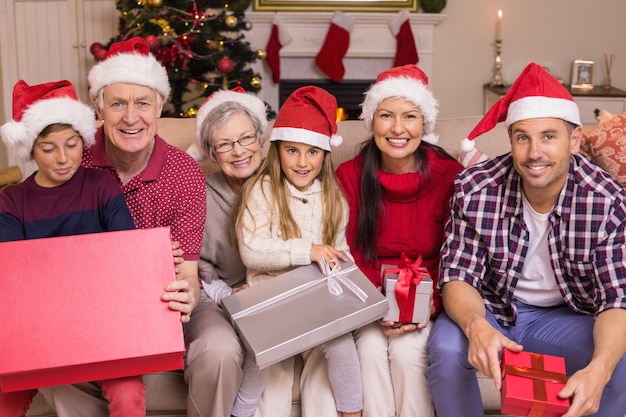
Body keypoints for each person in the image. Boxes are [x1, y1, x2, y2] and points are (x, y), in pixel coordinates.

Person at [427, 62, 626, 417]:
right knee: (446, 349)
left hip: (564, 319)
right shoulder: (475, 188)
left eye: (549, 136)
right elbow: (458, 275)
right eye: (523, 137)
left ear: (574, 140)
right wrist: (475, 325)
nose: (535, 153)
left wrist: (600, 369)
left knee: (618, 364)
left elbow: (617, 299)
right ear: (511, 140)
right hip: (489, 310)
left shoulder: (607, 200)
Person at [38, 37, 210, 416]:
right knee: (50, 358)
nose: (131, 117)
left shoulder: (185, 173)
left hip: (148, 311)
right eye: (117, 104)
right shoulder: (72, 161)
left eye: (143, 103)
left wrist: (188, 295)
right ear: (98, 106)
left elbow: (188, 272)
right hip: (77, 307)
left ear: (161, 106)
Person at [0, 80, 138, 416]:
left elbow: (128, 254)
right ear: (30, 149)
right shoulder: (11, 201)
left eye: (72, 145)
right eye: (48, 149)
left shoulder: (102, 185)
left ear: (83, 140)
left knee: (127, 394)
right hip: (38, 325)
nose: (63, 159)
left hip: (105, 320)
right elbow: (13, 276)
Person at [335, 64, 463, 417]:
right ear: (371, 121)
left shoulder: (450, 176)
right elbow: (351, 253)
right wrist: (378, 306)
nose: (397, 129)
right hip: (371, 300)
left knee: (409, 355)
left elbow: (456, 254)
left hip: (427, 299)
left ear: (424, 124)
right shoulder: (350, 175)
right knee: (371, 352)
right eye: (386, 116)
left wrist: (427, 304)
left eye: (409, 116)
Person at [233, 86, 362, 417]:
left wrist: (344, 277)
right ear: (277, 151)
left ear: (324, 155)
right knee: (259, 353)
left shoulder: (333, 199)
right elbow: (251, 251)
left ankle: (353, 412)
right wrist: (309, 250)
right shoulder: (260, 191)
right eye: (292, 150)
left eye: (312, 152)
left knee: (342, 345)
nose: (303, 162)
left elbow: (340, 252)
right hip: (269, 297)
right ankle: (240, 411)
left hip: (315, 298)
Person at [187, 86, 270, 414]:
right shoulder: (201, 194)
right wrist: (230, 294)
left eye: (246, 138)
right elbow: (199, 267)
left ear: (260, 137)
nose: (239, 152)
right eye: (224, 144)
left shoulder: (285, 179)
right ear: (211, 152)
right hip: (221, 296)